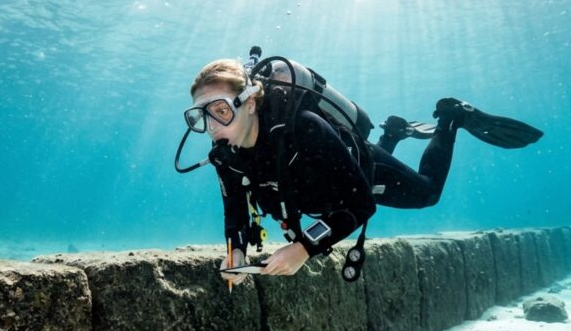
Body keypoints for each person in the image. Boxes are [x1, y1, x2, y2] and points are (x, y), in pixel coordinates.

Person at [180, 52, 542, 284]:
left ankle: (450, 118)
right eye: (200, 116)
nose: (212, 125)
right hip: (320, 191)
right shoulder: (225, 155)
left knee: (428, 193)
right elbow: (235, 215)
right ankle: (395, 134)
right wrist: (236, 254)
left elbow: (359, 204)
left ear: (251, 103)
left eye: (221, 110)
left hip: (360, 173)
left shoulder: (303, 127)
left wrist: (304, 249)